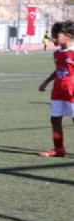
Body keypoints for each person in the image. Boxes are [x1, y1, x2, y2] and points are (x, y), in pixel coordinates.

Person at [37, 20, 74, 158]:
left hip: (72, 91)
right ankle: (59, 148)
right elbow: (58, 70)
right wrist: (46, 82)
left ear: (68, 36)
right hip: (58, 91)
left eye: (56, 35)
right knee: (55, 120)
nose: (54, 38)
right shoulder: (57, 53)